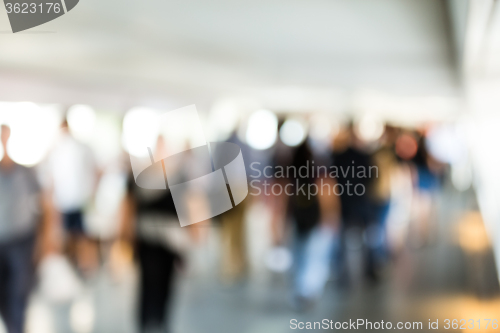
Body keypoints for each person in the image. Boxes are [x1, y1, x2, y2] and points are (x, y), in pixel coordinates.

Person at [0, 124, 53, 333]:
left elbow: (45, 205)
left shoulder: (26, 172)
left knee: (19, 294)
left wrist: (46, 238)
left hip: (21, 241)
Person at [47, 120, 98, 274]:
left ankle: (85, 266)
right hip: (67, 201)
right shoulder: (58, 150)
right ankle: (76, 266)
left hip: (78, 201)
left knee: (81, 236)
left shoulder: (76, 148)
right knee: (71, 236)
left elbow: (94, 172)